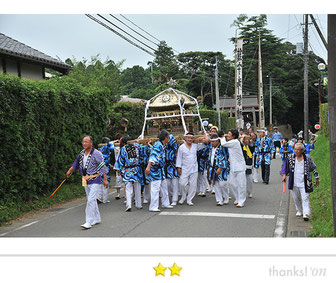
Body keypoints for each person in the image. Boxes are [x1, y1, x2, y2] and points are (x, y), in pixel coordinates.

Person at [66, 135, 108, 229]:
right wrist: (70, 170)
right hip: (85, 180)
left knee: (91, 200)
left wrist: (105, 179)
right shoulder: (81, 153)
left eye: (86, 142)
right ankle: (97, 218)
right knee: (91, 199)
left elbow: (102, 166)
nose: (84, 143)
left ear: (91, 143)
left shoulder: (97, 153)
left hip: (95, 179)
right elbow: (76, 163)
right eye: (83, 141)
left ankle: (88, 221)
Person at [281, 143, 319, 221]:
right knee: (296, 198)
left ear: (302, 150)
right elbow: (285, 167)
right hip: (294, 182)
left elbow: (313, 168)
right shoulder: (290, 158)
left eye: (298, 149)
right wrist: (284, 175)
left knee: (305, 198)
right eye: (295, 149)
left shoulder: (307, 158)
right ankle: (299, 210)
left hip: (305, 182)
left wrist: (317, 178)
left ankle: (306, 214)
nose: (296, 151)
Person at [114, 135, 144, 212]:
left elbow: (120, 160)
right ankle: (139, 204)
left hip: (128, 169)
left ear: (124, 143)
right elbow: (143, 155)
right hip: (137, 168)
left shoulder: (123, 149)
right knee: (137, 187)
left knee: (128, 187)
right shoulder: (137, 146)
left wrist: (119, 169)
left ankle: (129, 204)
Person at [145, 130, 173, 212]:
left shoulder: (160, 144)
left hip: (160, 170)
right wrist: (148, 167)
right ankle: (153, 206)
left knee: (164, 187)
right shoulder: (158, 145)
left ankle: (165, 203)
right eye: (168, 137)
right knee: (155, 188)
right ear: (165, 138)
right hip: (155, 170)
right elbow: (153, 156)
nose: (169, 138)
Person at [176, 132, 205, 206]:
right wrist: (178, 167)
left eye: (191, 138)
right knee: (182, 183)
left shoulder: (195, 146)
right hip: (184, 168)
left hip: (194, 169)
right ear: (185, 138)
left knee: (193, 185)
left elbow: (205, 144)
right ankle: (183, 197)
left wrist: (201, 139)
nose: (190, 139)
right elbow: (179, 158)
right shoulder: (181, 147)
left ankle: (189, 199)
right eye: (188, 137)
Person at [220, 129, 246, 207]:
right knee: (233, 184)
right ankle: (237, 198)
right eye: (227, 134)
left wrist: (222, 137)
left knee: (241, 185)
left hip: (240, 167)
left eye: (229, 134)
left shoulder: (235, 142)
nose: (227, 135)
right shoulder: (231, 143)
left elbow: (223, 144)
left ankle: (241, 201)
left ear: (233, 136)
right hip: (233, 167)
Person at [203, 133, 230, 205]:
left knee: (222, 184)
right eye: (211, 141)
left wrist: (220, 168)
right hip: (212, 168)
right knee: (215, 184)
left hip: (221, 168)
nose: (212, 143)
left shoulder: (222, 147)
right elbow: (204, 154)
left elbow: (225, 157)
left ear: (218, 141)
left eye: (213, 141)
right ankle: (219, 200)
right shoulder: (210, 148)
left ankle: (226, 197)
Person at [162, 133, 179, 206]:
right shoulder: (163, 145)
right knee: (167, 184)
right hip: (166, 165)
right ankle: (169, 196)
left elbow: (173, 145)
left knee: (175, 184)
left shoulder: (173, 143)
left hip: (173, 165)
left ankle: (175, 199)